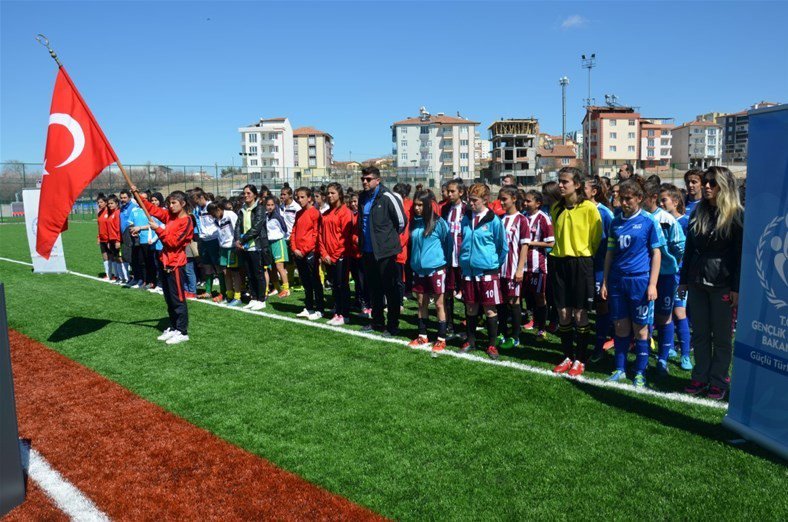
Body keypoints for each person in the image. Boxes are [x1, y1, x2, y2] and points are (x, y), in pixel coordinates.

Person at [679, 167, 743, 401]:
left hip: (723, 283)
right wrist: (684, 279)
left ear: (723, 186)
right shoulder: (698, 212)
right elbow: (689, 249)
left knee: (723, 337)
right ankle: (700, 376)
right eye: (705, 182)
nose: (706, 186)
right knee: (701, 333)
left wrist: (736, 287)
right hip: (697, 279)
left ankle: (718, 379)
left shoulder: (736, 215)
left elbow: (740, 255)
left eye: (712, 183)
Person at [601, 178, 663, 387]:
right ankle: (619, 369)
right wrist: (605, 282)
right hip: (618, 281)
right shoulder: (616, 222)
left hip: (640, 281)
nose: (624, 202)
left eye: (628, 199)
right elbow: (610, 253)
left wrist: (652, 284)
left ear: (639, 198)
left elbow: (656, 253)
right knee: (620, 326)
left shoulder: (648, 221)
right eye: (621, 198)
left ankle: (640, 372)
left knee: (641, 330)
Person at [549, 167, 603, 377]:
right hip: (559, 263)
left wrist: (583, 254)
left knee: (580, 313)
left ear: (577, 185)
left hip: (581, 263)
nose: (560, 185)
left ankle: (580, 359)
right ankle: (567, 356)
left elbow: (596, 238)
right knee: (563, 312)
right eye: (559, 181)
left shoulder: (589, 208)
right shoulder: (556, 208)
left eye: (565, 182)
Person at [133, 186, 194, 345]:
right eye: (169, 203)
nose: (171, 206)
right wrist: (138, 195)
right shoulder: (169, 216)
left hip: (176, 265)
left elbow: (173, 242)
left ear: (183, 203)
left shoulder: (186, 221)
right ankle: (174, 327)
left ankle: (182, 331)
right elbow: (152, 209)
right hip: (164, 262)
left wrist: (158, 229)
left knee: (178, 299)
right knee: (169, 298)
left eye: (174, 203)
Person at [458, 183, 508, 360]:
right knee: (471, 307)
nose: (470, 204)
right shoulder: (466, 218)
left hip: (487, 270)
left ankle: (492, 345)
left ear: (485, 200)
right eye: (469, 200)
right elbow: (463, 240)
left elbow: (503, 247)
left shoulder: (494, 220)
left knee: (489, 309)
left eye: (474, 200)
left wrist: (492, 263)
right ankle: (470, 341)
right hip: (469, 271)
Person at [358, 167, 407, 337]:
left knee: (390, 289)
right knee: (374, 289)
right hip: (368, 251)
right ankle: (377, 321)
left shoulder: (388, 197)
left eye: (368, 178)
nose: (364, 181)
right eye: (363, 178)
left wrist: (386, 240)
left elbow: (401, 222)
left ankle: (393, 325)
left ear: (378, 180)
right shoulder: (362, 197)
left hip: (385, 252)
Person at [643, 180, 685, 376]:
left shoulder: (667, 219)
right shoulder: (637, 217)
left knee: (664, 317)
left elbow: (680, 246)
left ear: (652, 198)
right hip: (641, 275)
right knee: (642, 316)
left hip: (666, 276)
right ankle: (640, 356)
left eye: (640, 196)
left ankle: (662, 359)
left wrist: (670, 262)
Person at [408, 190, 451, 355]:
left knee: (439, 304)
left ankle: (441, 338)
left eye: (420, 205)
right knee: (421, 303)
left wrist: (441, 264)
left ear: (428, 205)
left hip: (436, 270)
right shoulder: (414, 223)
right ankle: (422, 335)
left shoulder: (439, 223)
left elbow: (448, 245)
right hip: (418, 271)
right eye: (416, 205)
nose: (417, 208)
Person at [659, 184, 693, 370]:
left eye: (664, 200)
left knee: (679, 312)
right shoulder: (658, 220)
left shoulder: (685, 222)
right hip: (662, 276)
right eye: (659, 200)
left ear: (676, 201)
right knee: (666, 314)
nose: (661, 204)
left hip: (679, 276)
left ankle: (685, 354)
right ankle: (669, 347)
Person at [585, 177, 615, 362]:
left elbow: (613, 242)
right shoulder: (580, 210)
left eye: (585, 189)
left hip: (600, 268)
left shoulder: (604, 213)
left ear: (594, 192)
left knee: (602, 307)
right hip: (584, 266)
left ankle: (599, 345)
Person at [496, 186, 529, 349]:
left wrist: (520, 268)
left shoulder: (522, 220)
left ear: (514, 199)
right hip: (499, 268)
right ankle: (502, 332)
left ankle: (516, 335)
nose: (501, 202)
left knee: (514, 301)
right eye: (500, 199)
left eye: (504, 199)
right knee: (500, 301)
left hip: (513, 267)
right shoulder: (500, 219)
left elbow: (524, 246)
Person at [318, 183, 353, 326]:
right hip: (328, 257)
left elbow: (346, 237)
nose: (329, 196)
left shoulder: (345, 212)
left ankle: (345, 314)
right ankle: (337, 311)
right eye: (328, 193)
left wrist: (334, 256)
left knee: (341, 285)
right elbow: (320, 235)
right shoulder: (325, 214)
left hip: (340, 256)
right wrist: (324, 253)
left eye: (332, 193)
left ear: (340, 194)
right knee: (334, 285)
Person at [521, 190, 554, 339]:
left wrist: (530, 243)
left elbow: (551, 242)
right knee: (524, 295)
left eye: (529, 201)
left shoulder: (543, 219)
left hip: (537, 264)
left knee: (539, 296)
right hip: (521, 263)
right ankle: (530, 321)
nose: (525, 203)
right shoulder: (523, 217)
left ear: (538, 203)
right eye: (525, 201)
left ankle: (542, 328)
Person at [234, 184, 271, 311]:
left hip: (257, 246)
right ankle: (253, 298)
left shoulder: (260, 209)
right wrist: (237, 240)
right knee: (249, 274)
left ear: (255, 195)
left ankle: (261, 299)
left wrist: (242, 239)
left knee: (258, 273)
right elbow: (238, 226)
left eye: (249, 193)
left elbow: (256, 228)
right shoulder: (242, 209)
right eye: (244, 193)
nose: (246, 195)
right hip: (245, 247)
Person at [291, 187, 324, 320]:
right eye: (298, 197)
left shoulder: (315, 213)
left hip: (309, 253)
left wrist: (304, 250)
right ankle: (309, 307)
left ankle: (320, 309)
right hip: (298, 253)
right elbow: (293, 232)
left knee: (315, 280)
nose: (299, 200)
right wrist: (294, 248)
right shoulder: (298, 213)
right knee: (305, 281)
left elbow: (316, 235)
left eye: (302, 197)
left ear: (309, 198)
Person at [440, 179, 466, 339]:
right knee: (448, 292)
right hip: (449, 259)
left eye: (452, 191)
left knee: (467, 294)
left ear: (461, 192)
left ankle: (470, 322)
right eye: (448, 191)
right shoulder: (445, 209)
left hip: (463, 260)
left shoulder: (467, 209)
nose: (449, 194)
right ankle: (449, 324)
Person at [209, 200, 241, 306]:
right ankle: (229, 295)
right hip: (223, 248)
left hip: (232, 247)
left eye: (213, 213)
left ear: (218, 209)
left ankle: (237, 296)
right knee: (225, 272)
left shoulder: (230, 215)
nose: (212, 216)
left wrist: (237, 243)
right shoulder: (216, 219)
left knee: (235, 273)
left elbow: (237, 229)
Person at [195, 189, 222, 299]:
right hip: (204, 240)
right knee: (206, 266)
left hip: (214, 239)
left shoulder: (212, 206)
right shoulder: (197, 208)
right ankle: (208, 291)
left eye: (196, 200)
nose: (195, 203)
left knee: (218, 266)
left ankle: (223, 292)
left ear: (202, 197)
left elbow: (219, 221)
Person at [347, 191, 369, 315]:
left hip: (362, 253)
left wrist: (357, 240)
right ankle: (358, 300)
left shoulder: (364, 216)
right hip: (353, 253)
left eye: (355, 201)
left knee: (363, 280)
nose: (353, 204)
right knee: (356, 279)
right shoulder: (351, 216)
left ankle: (365, 303)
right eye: (351, 202)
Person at [264, 195, 290, 298]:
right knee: (272, 268)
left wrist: (279, 237)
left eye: (272, 205)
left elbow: (285, 229)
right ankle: (278, 289)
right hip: (269, 243)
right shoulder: (265, 216)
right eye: (268, 205)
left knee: (280, 267)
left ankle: (286, 289)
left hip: (278, 242)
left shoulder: (278, 216)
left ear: (275, 206)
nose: (270, 207)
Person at [118, 189, 138, 285]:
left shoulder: (134, 207)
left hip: (131, 233)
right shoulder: (122, 207)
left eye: (125, 197)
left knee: (132, 256)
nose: (123, 199)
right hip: (123, 234)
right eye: (121, 198)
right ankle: (133, 276)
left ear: (130, 197)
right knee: (127, 255)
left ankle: (136, 277)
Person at [105, 195, 125, 283]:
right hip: (111, 240)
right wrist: (109, 240)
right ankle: (118, 277)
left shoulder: (117, 213)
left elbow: (118, 228)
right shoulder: (110, 214)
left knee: (120, 258)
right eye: (108, 204)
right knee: (115, 258)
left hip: (117, 240)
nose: (110, 205)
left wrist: (118, 240)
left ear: (117, 203)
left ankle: (125, 278)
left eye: (112, 203)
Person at [96, 194, 112, 280]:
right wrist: (98, 237)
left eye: (101, 202)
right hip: (102, 239)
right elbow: (99, 226)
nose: (99, 204)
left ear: (106, 203)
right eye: (98, 202)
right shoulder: (99, 213)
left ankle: (117, 275)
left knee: (113, 257)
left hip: (109, 239)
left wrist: (110, 239)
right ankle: (108, 274)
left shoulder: (109, 212)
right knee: (105, 257)